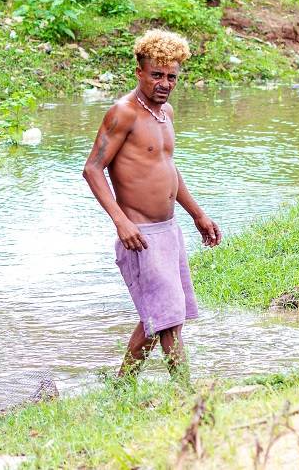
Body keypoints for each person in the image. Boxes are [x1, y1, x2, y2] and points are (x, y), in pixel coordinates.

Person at [82, 29, 221, 381]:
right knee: (168, 319)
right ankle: (185, 392)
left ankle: (121, 386)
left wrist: (198, 214)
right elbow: (93, 169)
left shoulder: (165, 113)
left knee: (159, 316)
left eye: (171, 76)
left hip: (168, 231)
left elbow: (167, 168)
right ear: (140, 73)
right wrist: (121, 222)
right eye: (157, 75)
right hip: (140, 234)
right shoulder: (123, 113)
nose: (164, 83)